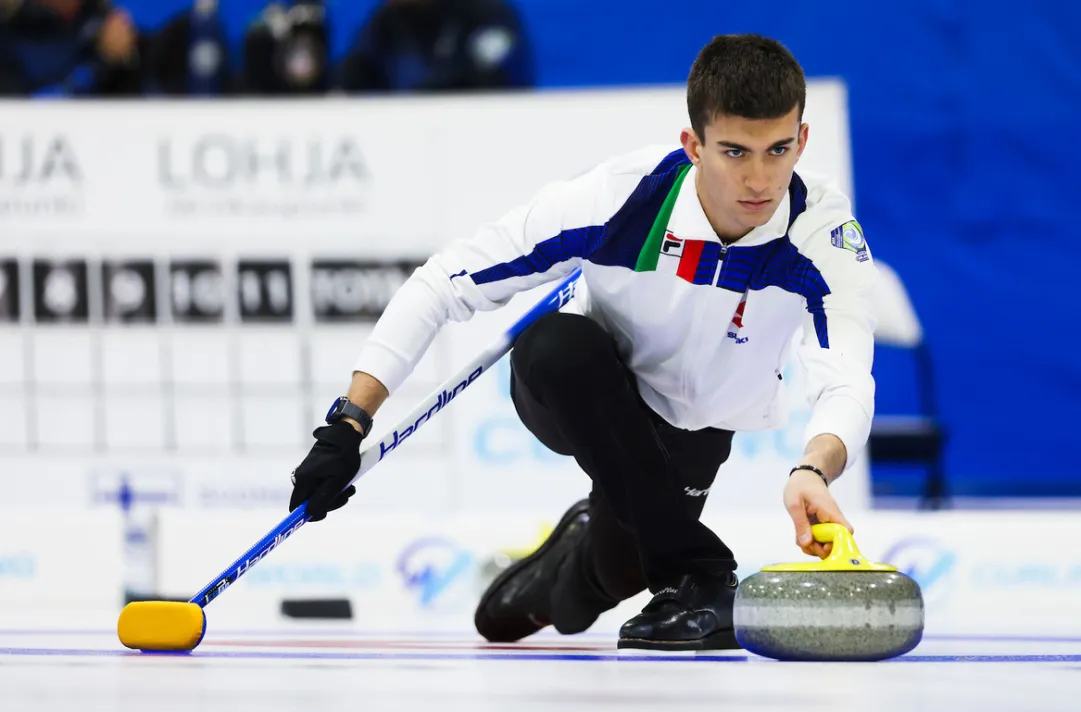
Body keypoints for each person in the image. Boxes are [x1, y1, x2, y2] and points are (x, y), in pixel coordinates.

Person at [289, 34, 877, 651]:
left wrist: (814, 469)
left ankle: (578, 552)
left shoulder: (821, 235)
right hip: (586, 392)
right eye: (735, 151)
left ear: (802, 141)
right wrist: (348, 423)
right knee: (555, 346)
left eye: (778, 150)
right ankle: (701, 573)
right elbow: (443, 282)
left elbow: (845, 377)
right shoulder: (623, 198)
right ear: (694, 146)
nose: (760, 178)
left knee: (605, 577)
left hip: (694, 432)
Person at [337, 0, 532, 93]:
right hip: (409, 139)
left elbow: (493, 80)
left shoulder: (488, 14)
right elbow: (355, 70)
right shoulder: (385, 22)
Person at [0, 0, 142, 97]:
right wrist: (101, 62)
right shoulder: (12, 30)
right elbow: (31, 107)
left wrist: (120, 58)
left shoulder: (103, 20)